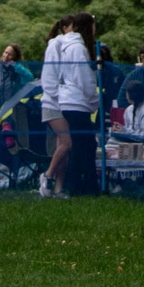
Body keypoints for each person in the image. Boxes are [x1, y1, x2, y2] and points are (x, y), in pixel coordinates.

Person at [58, 13, 99, 196]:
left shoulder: (66, 47)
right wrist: (93, 100)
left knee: (83, 145)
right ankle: (76, 186)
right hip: (77, 102)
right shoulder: (78, 49)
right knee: (84, 145)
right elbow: (84, 78)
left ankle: (83, 185)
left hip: (68, 100)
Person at [39, 14, 75, 198]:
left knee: (61, 146)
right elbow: (50, 74)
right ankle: (47, 176)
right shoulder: (55, 45)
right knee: (67, 142)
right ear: (66, 27)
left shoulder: (70, 47)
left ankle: (59, 188)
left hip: (64, 101)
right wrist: (56, 94)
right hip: (53, 103)